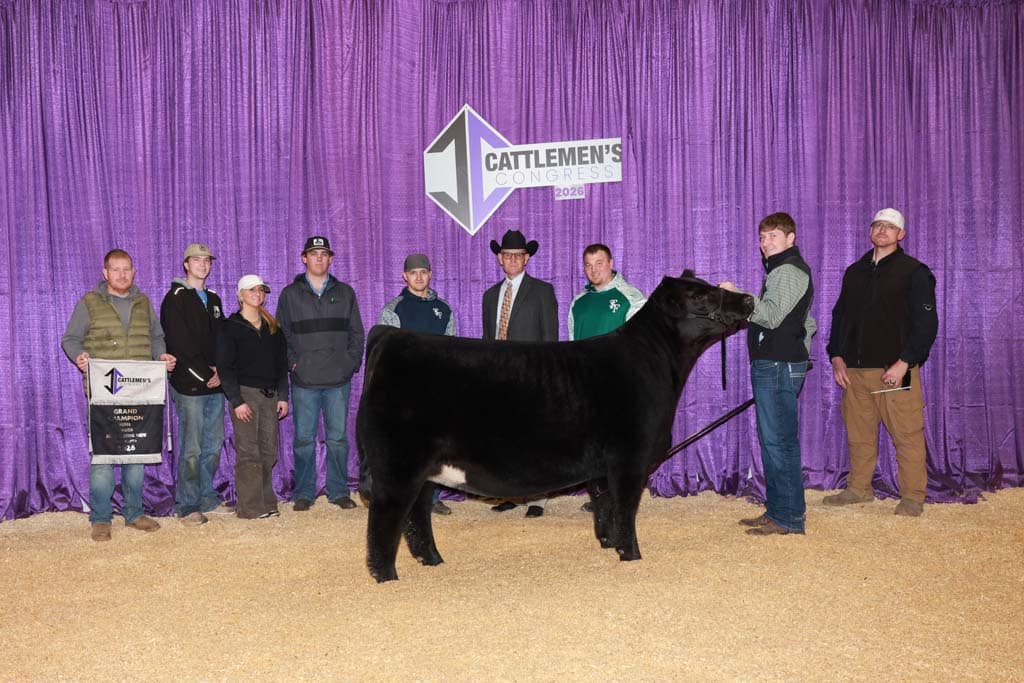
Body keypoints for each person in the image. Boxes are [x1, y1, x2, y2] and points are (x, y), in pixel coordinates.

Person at [823, 208, 938, 517]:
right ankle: (859, 489)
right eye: (878, 225)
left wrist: (905, 361)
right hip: (855, 372)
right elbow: (840, 316)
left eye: (891, 227)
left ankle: (913, 496)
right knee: (858, 434)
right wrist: (835, 355)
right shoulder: (854, 272)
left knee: (907, 433)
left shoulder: (915, 272)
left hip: (894, 369)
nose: (883, 231)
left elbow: (926, 324)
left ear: (901, 234)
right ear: (871, 230)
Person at [61, 249, 176, 541]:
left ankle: (134, 513)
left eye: (127, 269)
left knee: (136, 452)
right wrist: (80, 356)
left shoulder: (143, 301)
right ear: (105, 273)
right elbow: (71, 339)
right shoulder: (89, 302)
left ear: (133, 272)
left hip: (139, 391)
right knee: (103, 457)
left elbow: (156, 335)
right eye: (116, 270)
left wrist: (161, 355)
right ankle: (101, 518)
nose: (122, 275)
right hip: (103, 394)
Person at [720, 212, 816, 536]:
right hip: (779, 363)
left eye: (773, 236)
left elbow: (772, 316)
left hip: (776, 365)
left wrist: (739, 298)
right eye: (762, 237)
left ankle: (787, 518)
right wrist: (800, 351)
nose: (765, 243)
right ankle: (781, 510)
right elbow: (808, 323)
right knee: (775, 441)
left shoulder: (786, 271)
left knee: (779, 443)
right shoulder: (785, 270)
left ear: (791, 238)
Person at [276, 236, 364, 511]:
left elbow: (356, 333)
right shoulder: (290, 294)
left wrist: (350, 363)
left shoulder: (346, 292)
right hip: (304, 380)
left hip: (338, 380)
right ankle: (304, 492)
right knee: (304, 440)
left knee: (338, 438)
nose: (319, 258)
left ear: (331, 259)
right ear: (304, 258)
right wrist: (293, 364)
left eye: (324, 254)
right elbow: (282, 334)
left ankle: (339, 491)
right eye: (314, 254)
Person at [482, 229, 558, 517]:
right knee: (505, 437)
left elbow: (550, 338)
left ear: (526, 259)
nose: (512, 260)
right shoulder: (490, 296)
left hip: (531, 376)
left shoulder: (542, 292)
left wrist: (547, 377)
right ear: (500, 259)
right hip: (499, 378)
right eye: (507, 255)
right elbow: (488, 339)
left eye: (518, 255)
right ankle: (510, 492)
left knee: (534, 437)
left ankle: (537, 496)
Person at [569, 243, 646, 512]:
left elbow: (641, 344)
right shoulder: (578, 302)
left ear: (611, 262)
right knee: (591, 444)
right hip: (584, 386)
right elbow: (571, 344)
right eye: (588, 265)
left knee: (618, 446)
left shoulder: (631, 297)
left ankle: (619, 497)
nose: (594, 270)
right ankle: (600, 496)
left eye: (599, 263)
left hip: (618, 385)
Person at [379, 253, 457, 515]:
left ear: (430, 274)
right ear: (405, 276)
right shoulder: (394, 309)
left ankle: (431, 498)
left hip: (437, 389)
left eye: (423, 271)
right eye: (413, 273)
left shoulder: (444, 309)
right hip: (406, 390)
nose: (419, 277)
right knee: (406, 446)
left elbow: (452, 350)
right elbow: (387, 354)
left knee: (436, 446)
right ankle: (405, 496)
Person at [160, 243, 225, 527]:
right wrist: (205, 374)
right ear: (186, 264)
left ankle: (206, 495)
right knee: (193, 446)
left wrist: (221, 371)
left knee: (214, 444)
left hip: (216, 384)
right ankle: (187, 504)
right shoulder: (174, 298)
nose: (202, 264)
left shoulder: (214, 299)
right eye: (196, 260)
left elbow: (222, 339)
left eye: (206, 260)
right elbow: (178, 343)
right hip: (190, 385)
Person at [217, 275, 289, 519]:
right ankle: (249, 507)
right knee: (249, 452)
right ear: (240, 295)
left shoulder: (273, 328)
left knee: (269, 452)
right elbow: (225, 368)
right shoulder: (230, 327)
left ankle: (267, 502)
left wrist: (283, 396)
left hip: (269, 395)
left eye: (261, 290)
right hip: (245, 394)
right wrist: (236, 401)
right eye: (252, 290)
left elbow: (281, 365)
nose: (257, 294)